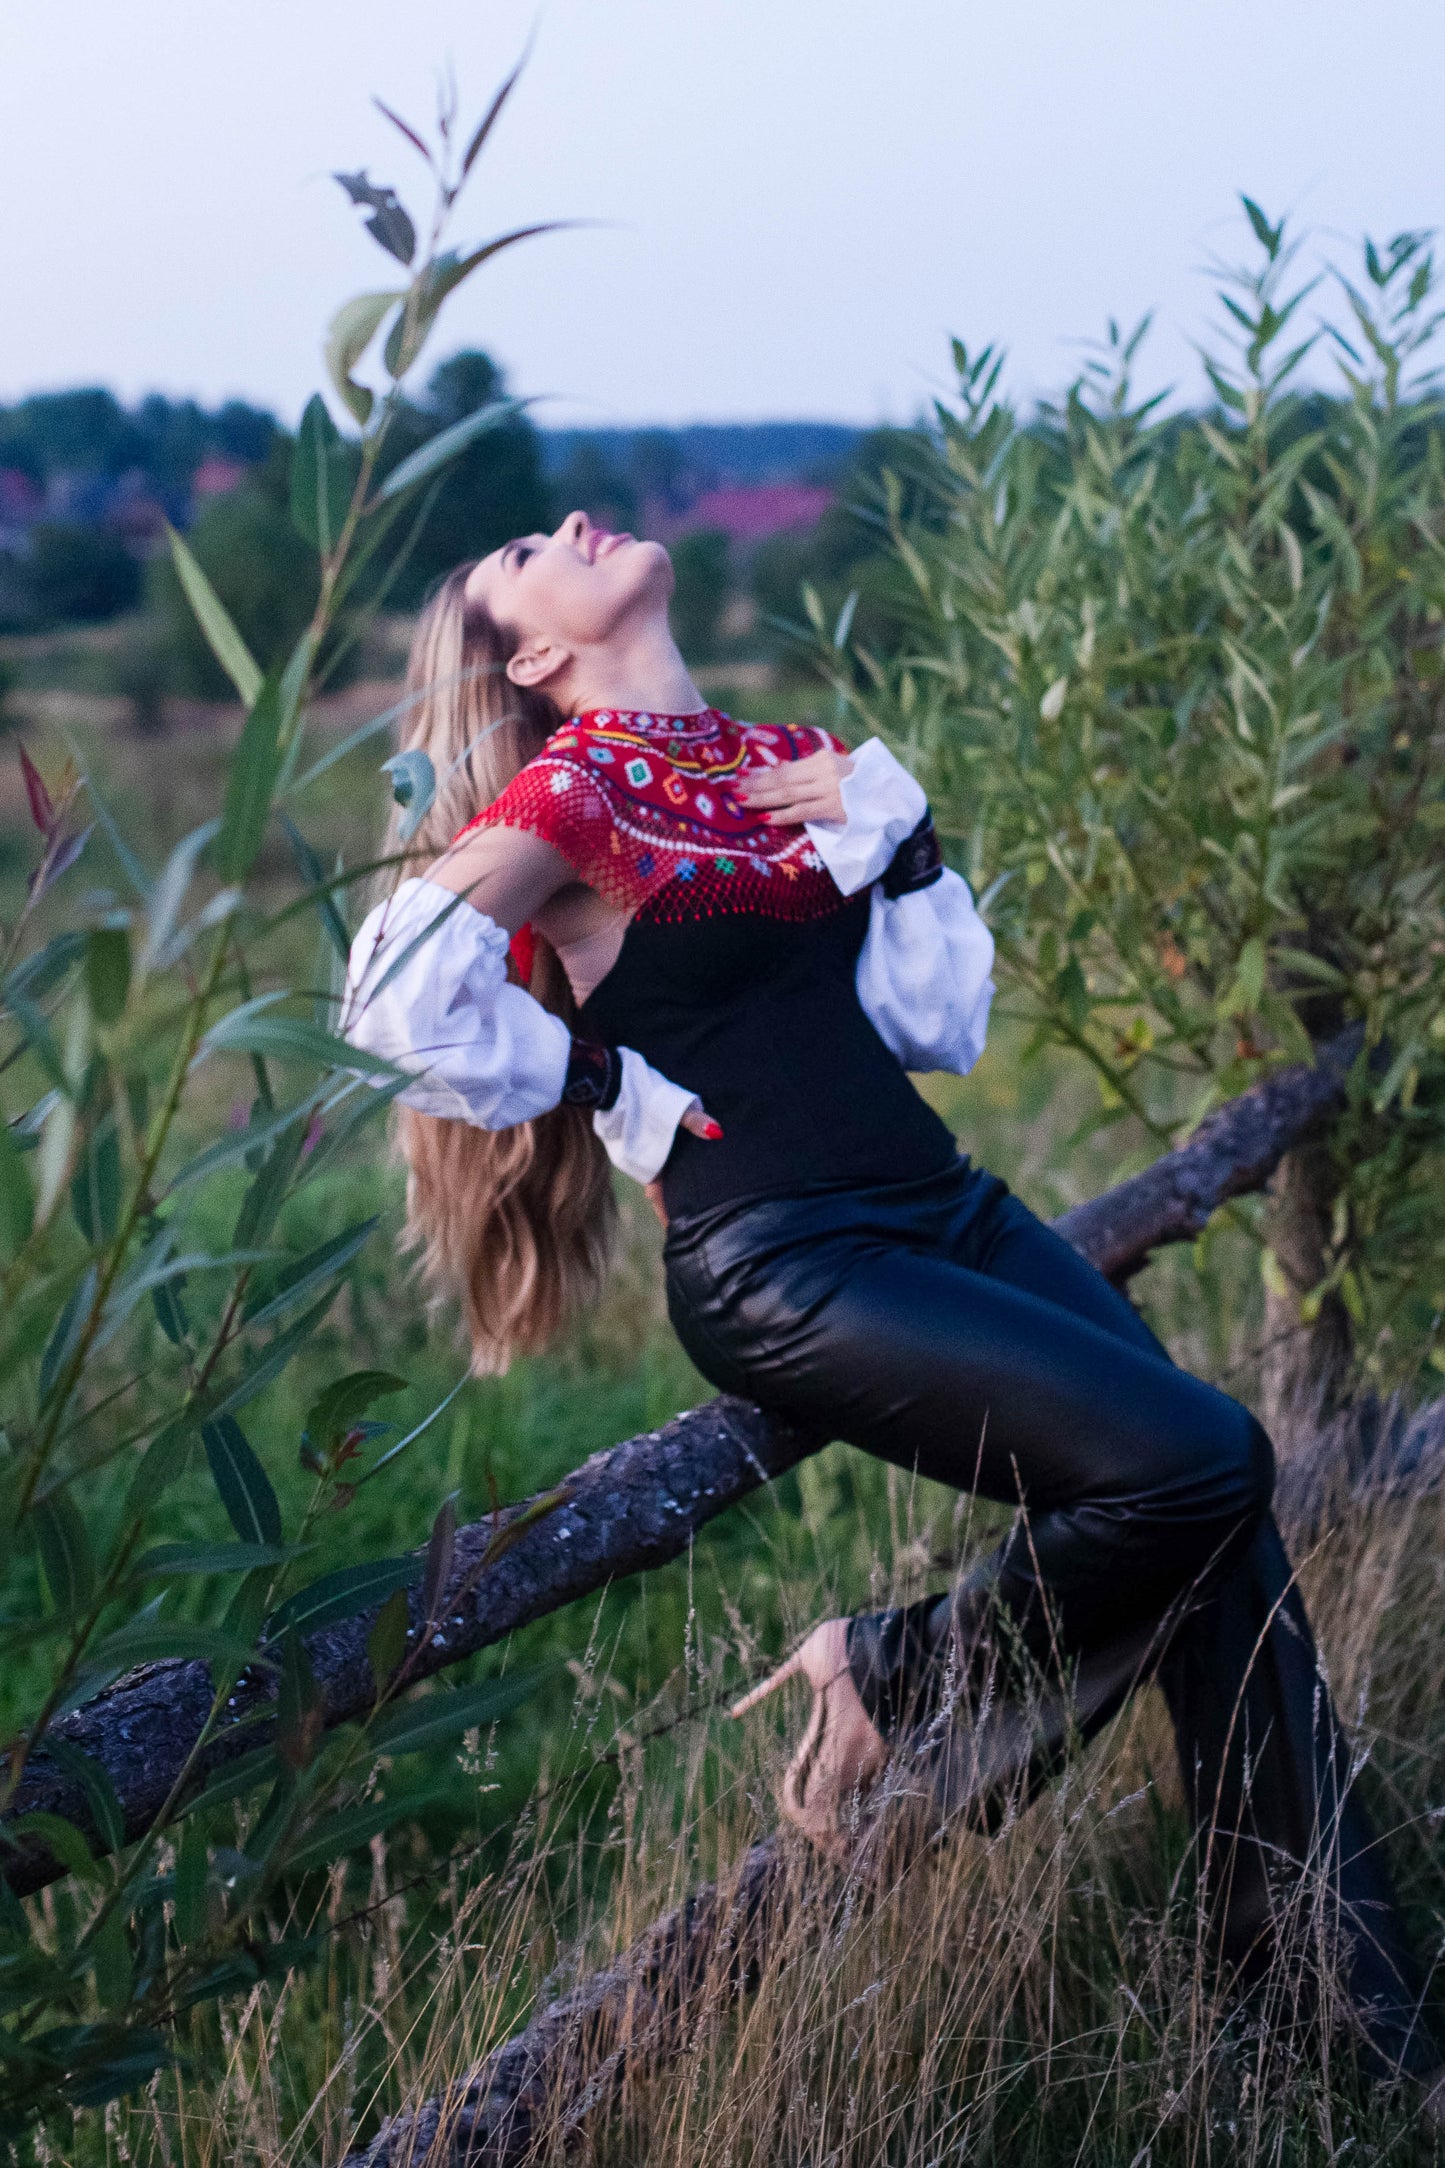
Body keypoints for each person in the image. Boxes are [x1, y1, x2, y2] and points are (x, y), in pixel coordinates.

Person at [342, 510, 1437, 2105]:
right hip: (783, 1257)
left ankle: (1323, 2019)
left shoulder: (787, 760)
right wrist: (592, 1075)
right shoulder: (570, 795)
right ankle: (893, 1664)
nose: (567, 521)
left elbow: (928, 1027)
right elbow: (387, 998)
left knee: (1220, 1536)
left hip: (942, 1207)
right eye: (525, 549)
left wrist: (901, 839)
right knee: (1202, 1461)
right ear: (534, 655)